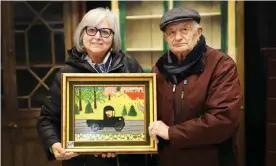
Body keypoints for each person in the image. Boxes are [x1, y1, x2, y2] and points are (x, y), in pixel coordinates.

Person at [36, 7, 148, 166]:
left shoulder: (130, 66)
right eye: (91, 30)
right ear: (82, 35)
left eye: (105, 32)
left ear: (113, 37)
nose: (97, 36)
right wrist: (54, 145)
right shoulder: (66, 75)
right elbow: (46, 120)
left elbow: (145, 112)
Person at [148, 6, 242, 166]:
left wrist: (171, 133)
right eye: (171, 32)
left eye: (184, 30)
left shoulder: (220, 65)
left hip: (209, 159)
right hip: (168, 159)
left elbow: (222, 119)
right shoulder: (159, 69)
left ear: (199, 33)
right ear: (165, 38)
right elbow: (147, 114)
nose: (177, 37)